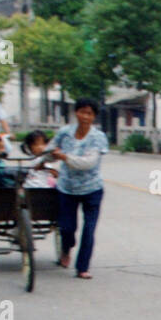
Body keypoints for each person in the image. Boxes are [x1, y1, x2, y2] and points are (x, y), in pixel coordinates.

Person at [48, 98, 109, 278]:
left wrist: (64, 157)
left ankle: (83, 267)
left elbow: (89, 163)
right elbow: (51, 151)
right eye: (82, 112)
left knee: (89, 230)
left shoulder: (98, 137)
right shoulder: (64, 133)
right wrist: (42, 161)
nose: (85, 117)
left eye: (89, 114)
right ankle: (66, 248)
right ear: (76, 113)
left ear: (94, 117)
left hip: (92, 189)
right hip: (67, 188)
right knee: (67, 228)